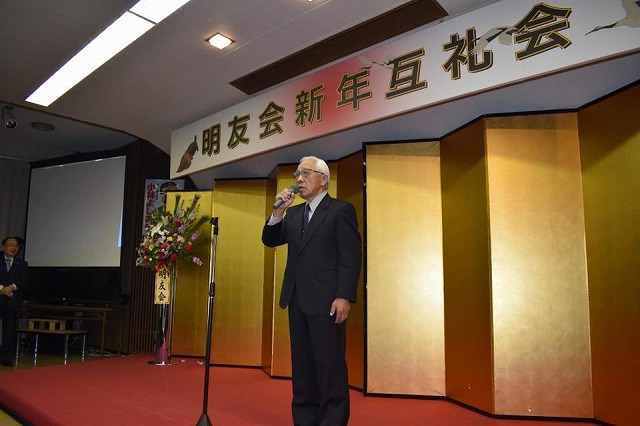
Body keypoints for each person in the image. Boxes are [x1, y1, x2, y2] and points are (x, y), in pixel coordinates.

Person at [262, 156, 361, 426]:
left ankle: (332, 420)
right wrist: (278, 212)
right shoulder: (294, 213)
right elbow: (270, 239)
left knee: (330, 366)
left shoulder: (341, 210)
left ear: (323, 179)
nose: (299, 179)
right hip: (297, 299)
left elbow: (350, 257)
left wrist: (344, 296)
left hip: (328, 302)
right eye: (297, 174)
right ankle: (305, 419)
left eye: (305, 173)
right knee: (303, 366)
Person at [0, 236, 28, 367]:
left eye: (16, 246)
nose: (13, 248)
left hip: (12, 301)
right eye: (10, 245)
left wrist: (12, 287)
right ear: (2, 247)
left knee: (9, 331)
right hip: (2, 296)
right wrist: (3, 289)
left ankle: (5, 358)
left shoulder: (22, 264)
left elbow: (24, 281)